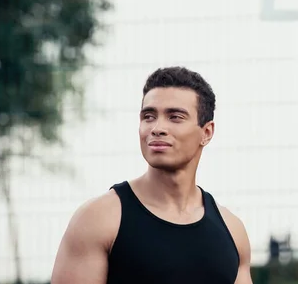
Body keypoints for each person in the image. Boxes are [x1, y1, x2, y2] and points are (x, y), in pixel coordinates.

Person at [51, 67, 253, 284]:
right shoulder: (99, 219)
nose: (157, 128)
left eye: (175, 117)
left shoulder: (232, 231)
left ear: (206, 133)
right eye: (149, 116)